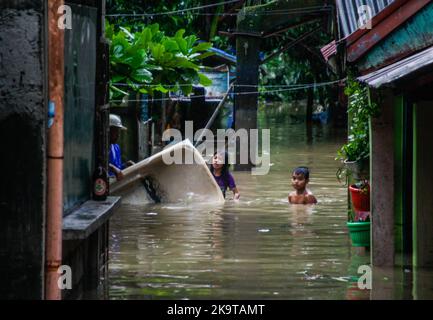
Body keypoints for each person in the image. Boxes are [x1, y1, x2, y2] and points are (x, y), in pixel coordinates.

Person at [109, 114, 134, 181]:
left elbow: (118, 169)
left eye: (119, 131)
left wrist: (125, 165)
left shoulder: (116, 147)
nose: (118, 135)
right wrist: (112, 168)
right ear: (108, 130)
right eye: (115, 131)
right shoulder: (101, 148)